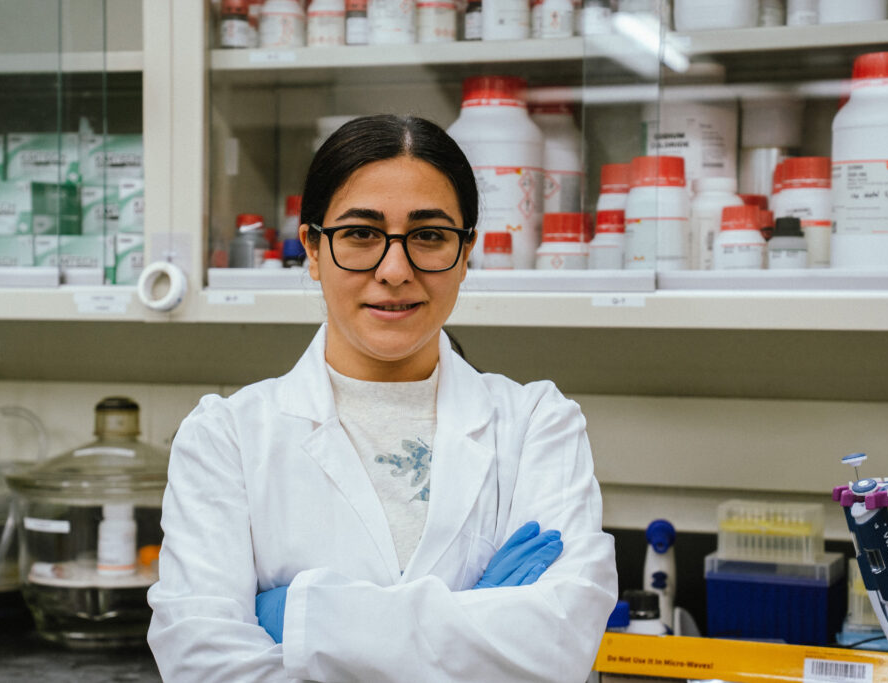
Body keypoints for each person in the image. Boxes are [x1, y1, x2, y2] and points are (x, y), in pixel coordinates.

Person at [147, 115, 618, 681]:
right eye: (361, 234)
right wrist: (477, 624)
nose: (395, 270)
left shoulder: (537, 424)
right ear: (313, 249)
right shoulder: (226, 438)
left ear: (466, 252)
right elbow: (205, 665)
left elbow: (558, 646)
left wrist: (302, 619)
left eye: (429, 236)